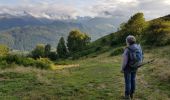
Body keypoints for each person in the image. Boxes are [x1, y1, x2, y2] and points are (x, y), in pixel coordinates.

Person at [121, 35, 143, 99]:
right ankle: (132, 94)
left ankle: (127, 96)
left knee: (128, 81)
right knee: (133, 80)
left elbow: (125, 61)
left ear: (127, 41)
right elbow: (141, 56)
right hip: (135, 66)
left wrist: (122, 69)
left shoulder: (127, 49)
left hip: (128, 68)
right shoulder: (138, 47)